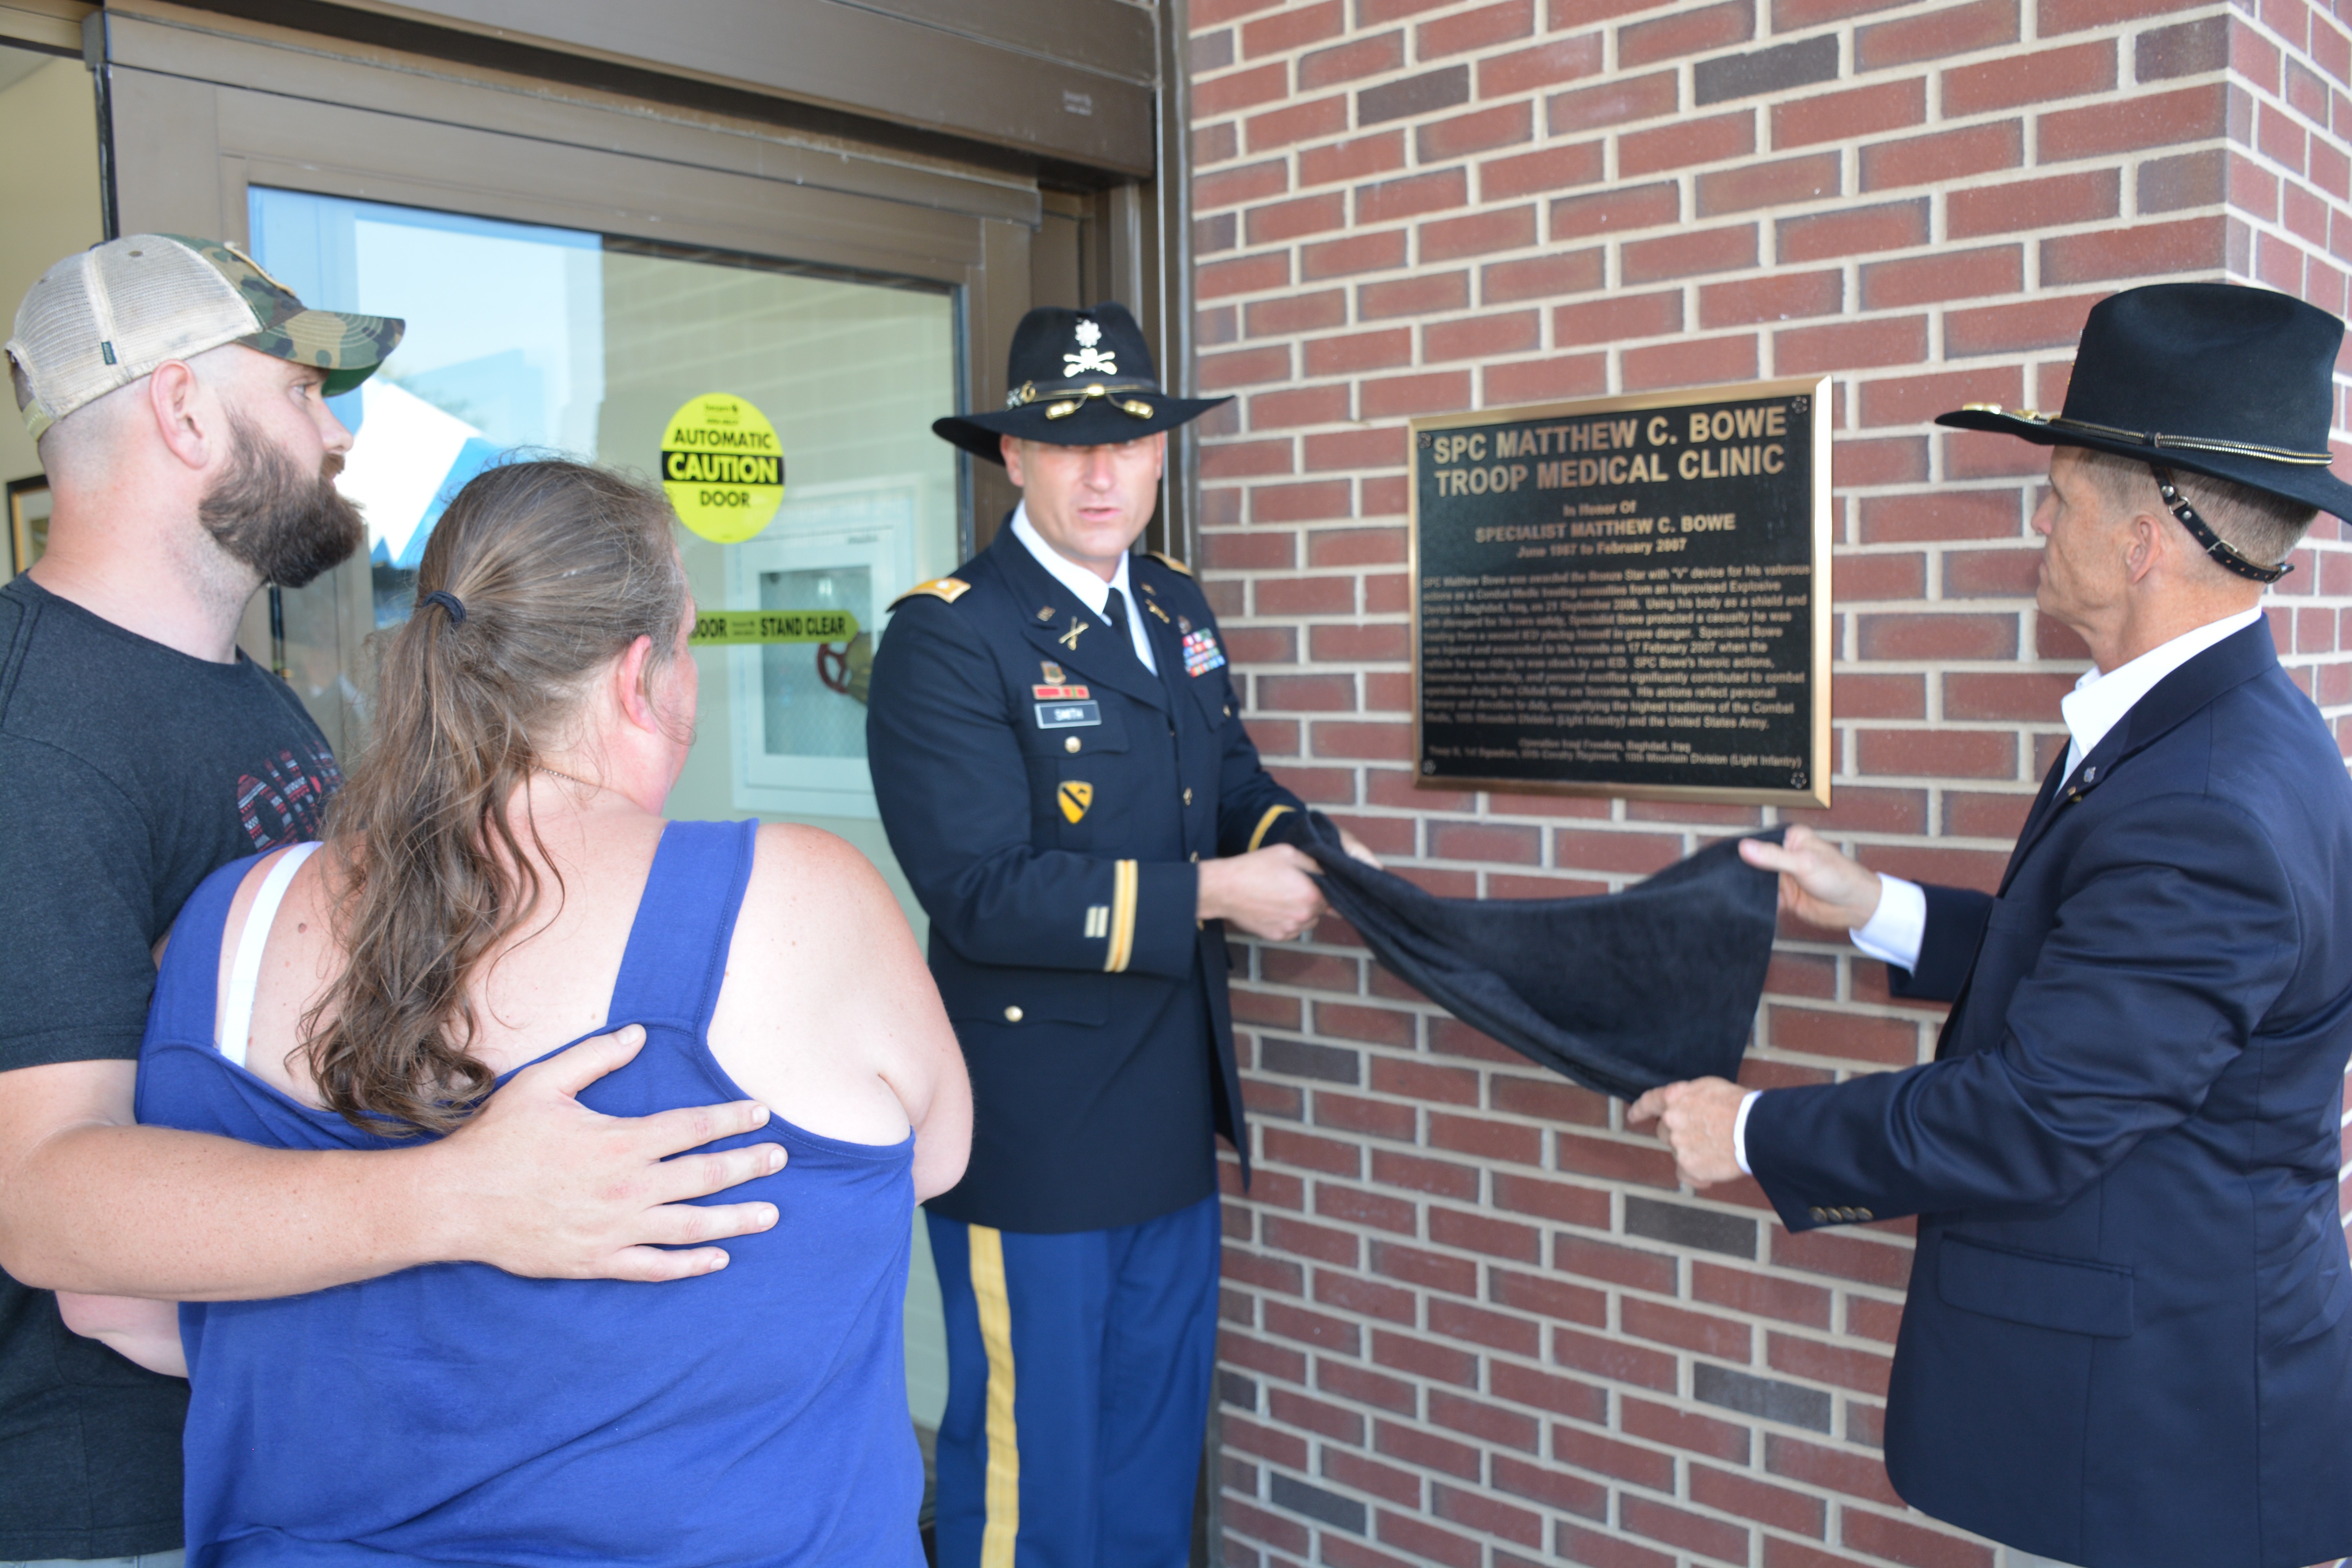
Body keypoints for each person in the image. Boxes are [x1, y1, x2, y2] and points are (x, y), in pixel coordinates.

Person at [0, 237, 784, 1568]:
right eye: (303, 389)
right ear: (183, 408)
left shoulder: (248, 696)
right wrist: (462, 1200)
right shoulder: (33, 734)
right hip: (114, 1502)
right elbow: (43, 1199)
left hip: (311, 1457)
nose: (339, 432)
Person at [64, 457, 971, 1564]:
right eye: (686, 643)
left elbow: (111, 1306)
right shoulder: (796, 897)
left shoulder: (231, 921)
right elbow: (936, 1159)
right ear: (641, 675)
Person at [1632, 282, 2352, 1568]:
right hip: (2144, 1408)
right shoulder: (2206, 734)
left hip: (2151, 1442)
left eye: (2060, 498)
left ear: (2141, 545)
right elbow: (2104, 984)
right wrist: (1883, 911)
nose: (2039, 521)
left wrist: (1746, 1130)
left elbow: (2041, 1112)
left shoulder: (2206, 803)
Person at [867, 302, 1379, 1566]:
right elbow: (982, 888)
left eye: (1130, 440)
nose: (1103, 473)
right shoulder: (950, 633)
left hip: (1166, 1112)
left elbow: (1229, 776)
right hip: (1034, 1134)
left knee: (1150, 1474)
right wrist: (1215, 892)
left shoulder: (1173, 601)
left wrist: (1304, 844)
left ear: (1160, 453)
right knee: (1035, 1482)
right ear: (1013, 456)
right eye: (1068, 443)